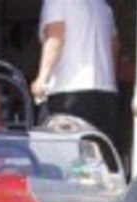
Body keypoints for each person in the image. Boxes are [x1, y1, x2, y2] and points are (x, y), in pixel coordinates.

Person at [32, 0, 121, 147]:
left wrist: (42, 78)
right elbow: (114, 46)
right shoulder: (103, 7)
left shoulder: (57, 2)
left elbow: (56, 37)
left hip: (69, 88)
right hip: (106, 91)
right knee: (100, 152)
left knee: (63, 151)